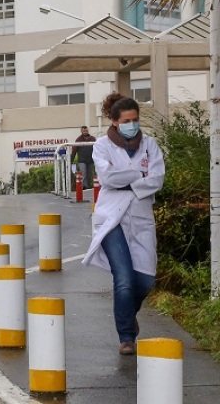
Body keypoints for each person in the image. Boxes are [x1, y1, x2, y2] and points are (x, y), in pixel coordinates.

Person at [83, 93, 165, 356]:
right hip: (111, 218)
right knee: (124, 279)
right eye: (126, 121)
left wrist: (128, 180)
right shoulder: (102, 146)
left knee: (146, 281)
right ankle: (127, 337)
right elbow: (107, 178)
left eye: (135, 119)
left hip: (140, 217)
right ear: (115, 122)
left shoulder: (149, 145)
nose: (132, 124)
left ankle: (128, 314)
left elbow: (157, 179)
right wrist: (139, 175)